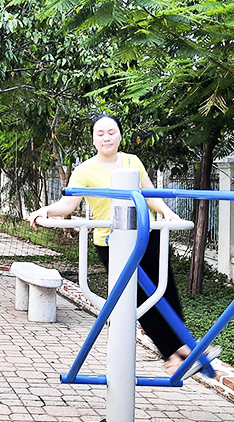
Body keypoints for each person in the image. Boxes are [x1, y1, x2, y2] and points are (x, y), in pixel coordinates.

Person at [28, 114, 194, 373]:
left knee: (166, 291)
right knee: (139, 300)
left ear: (120, 135)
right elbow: (69, 204)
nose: (106, 137)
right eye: (100, 133)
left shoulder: (132, 161)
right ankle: (170, 355)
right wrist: (45, 211)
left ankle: (184, 346)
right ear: (93, 139)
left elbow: (150, 195)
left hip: (146, 235)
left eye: (111, 132)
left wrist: (167, 213)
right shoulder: (84, 170)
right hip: (111, 242)